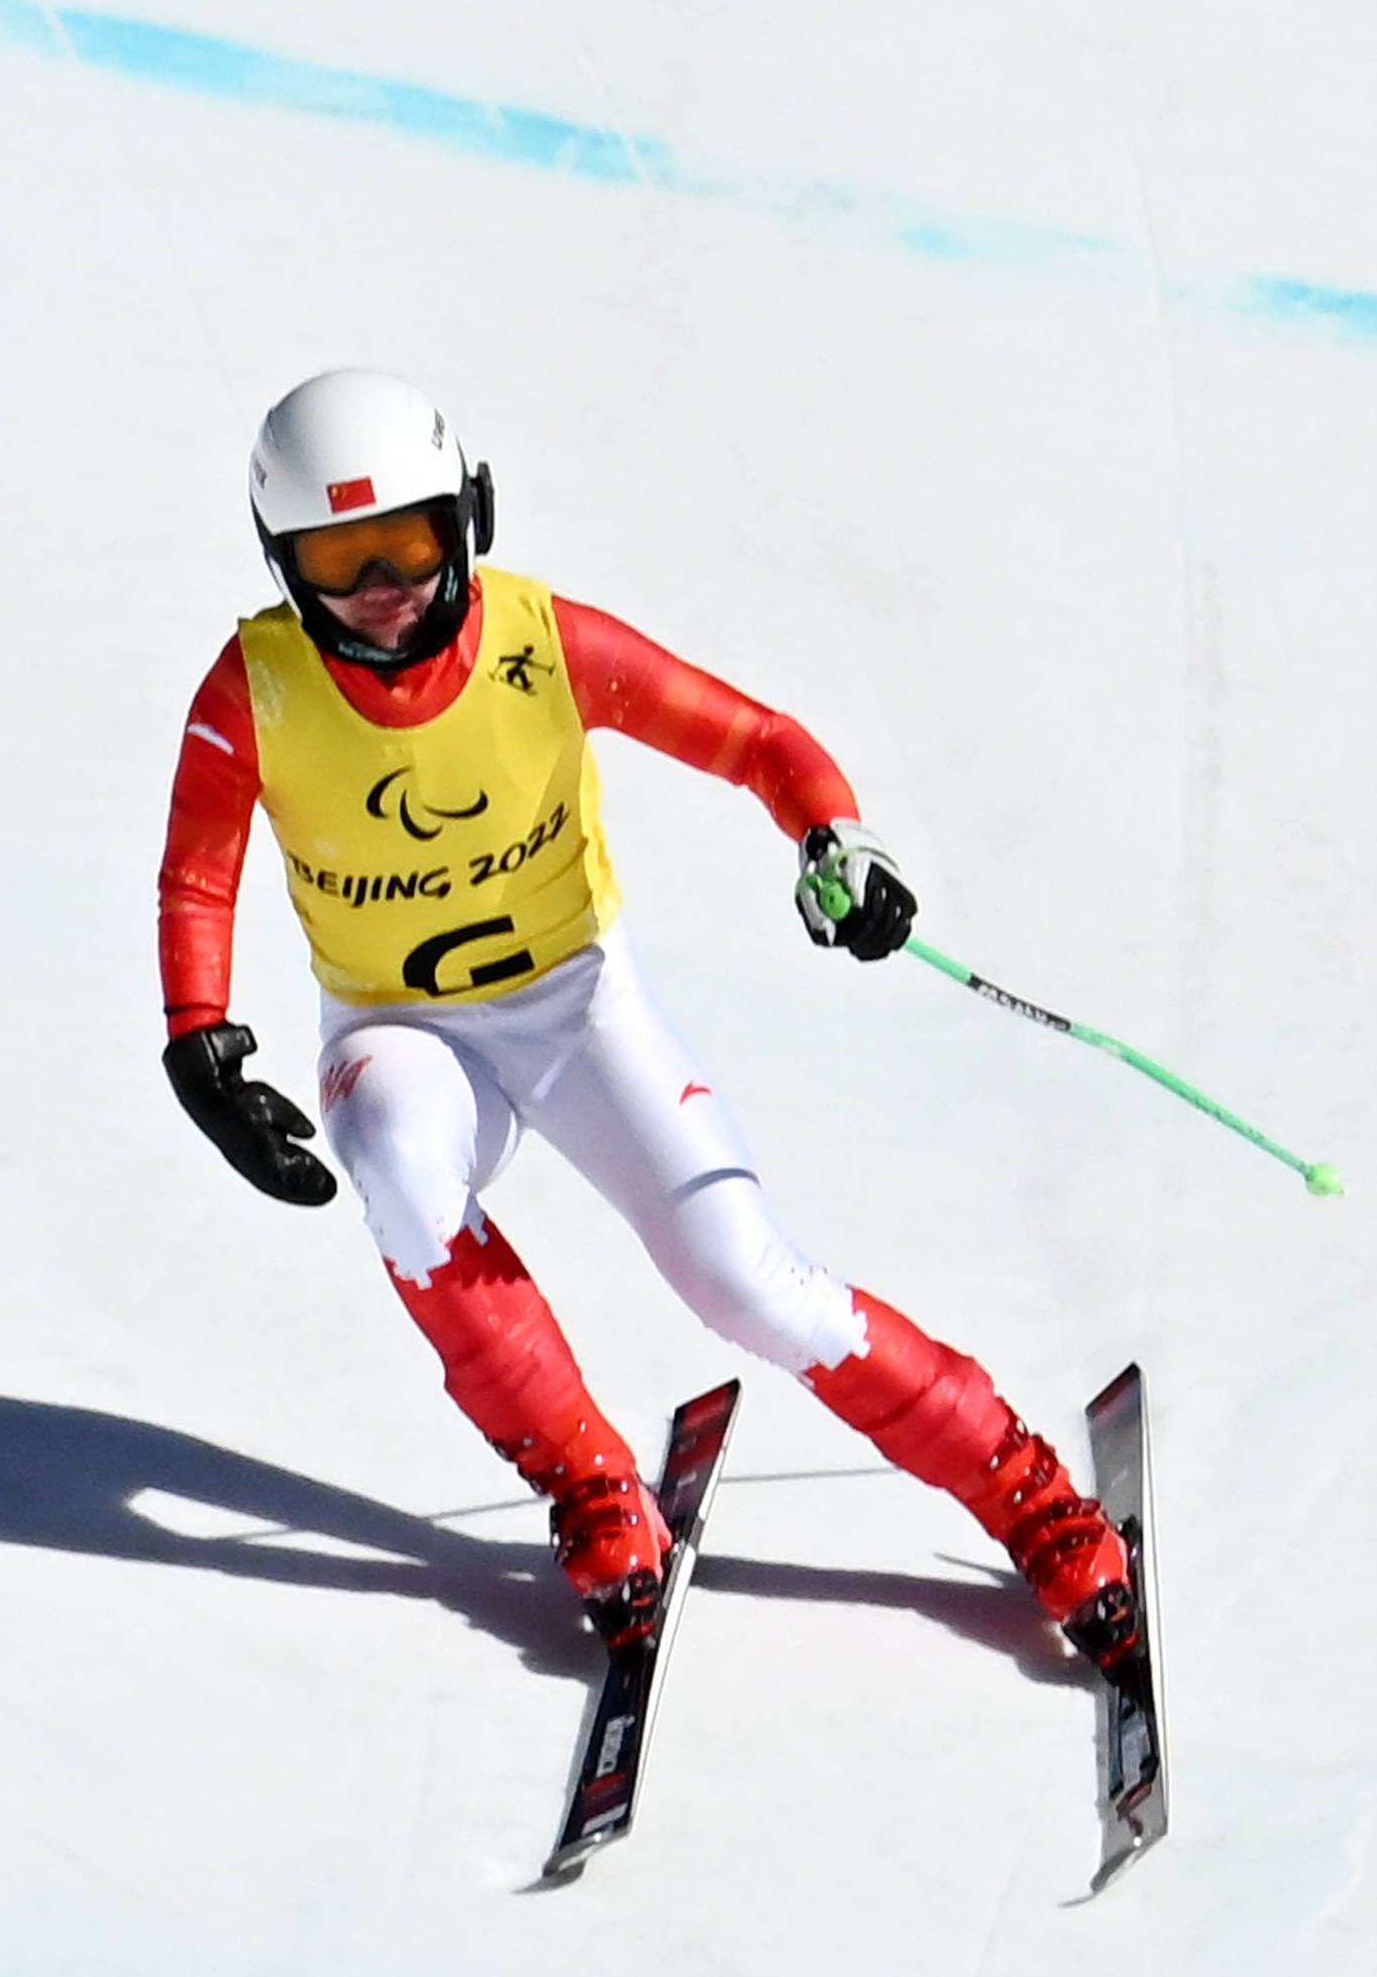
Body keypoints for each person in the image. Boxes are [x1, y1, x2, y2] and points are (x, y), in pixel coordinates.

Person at [155, 366, 1137, 1652]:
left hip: (575, 1009)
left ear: (470, 518)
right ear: (283, 562)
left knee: (744, 1279)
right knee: (395, 1159)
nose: (384, 587)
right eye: (340, 557)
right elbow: (195, 870)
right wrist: (199, 1039)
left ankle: (1018, 1485)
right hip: (398, 1030)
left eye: (408, 540)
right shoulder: (256, 688)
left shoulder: (539, 646)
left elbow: (755, 739)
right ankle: (587, 1480)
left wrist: (834, 838)